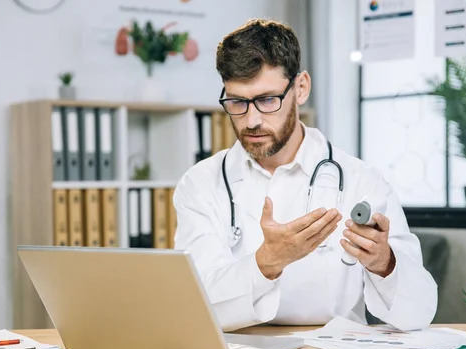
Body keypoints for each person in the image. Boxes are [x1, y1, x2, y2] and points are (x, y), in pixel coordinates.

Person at [173, 18, 437, 332]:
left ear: (301, 88)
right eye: (237, 102)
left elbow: (419, 312)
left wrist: (385, 263)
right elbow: (196, 307)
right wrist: (268, 261)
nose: (252, 120)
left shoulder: (362, 181)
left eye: (268, 100)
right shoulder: (200, 184)